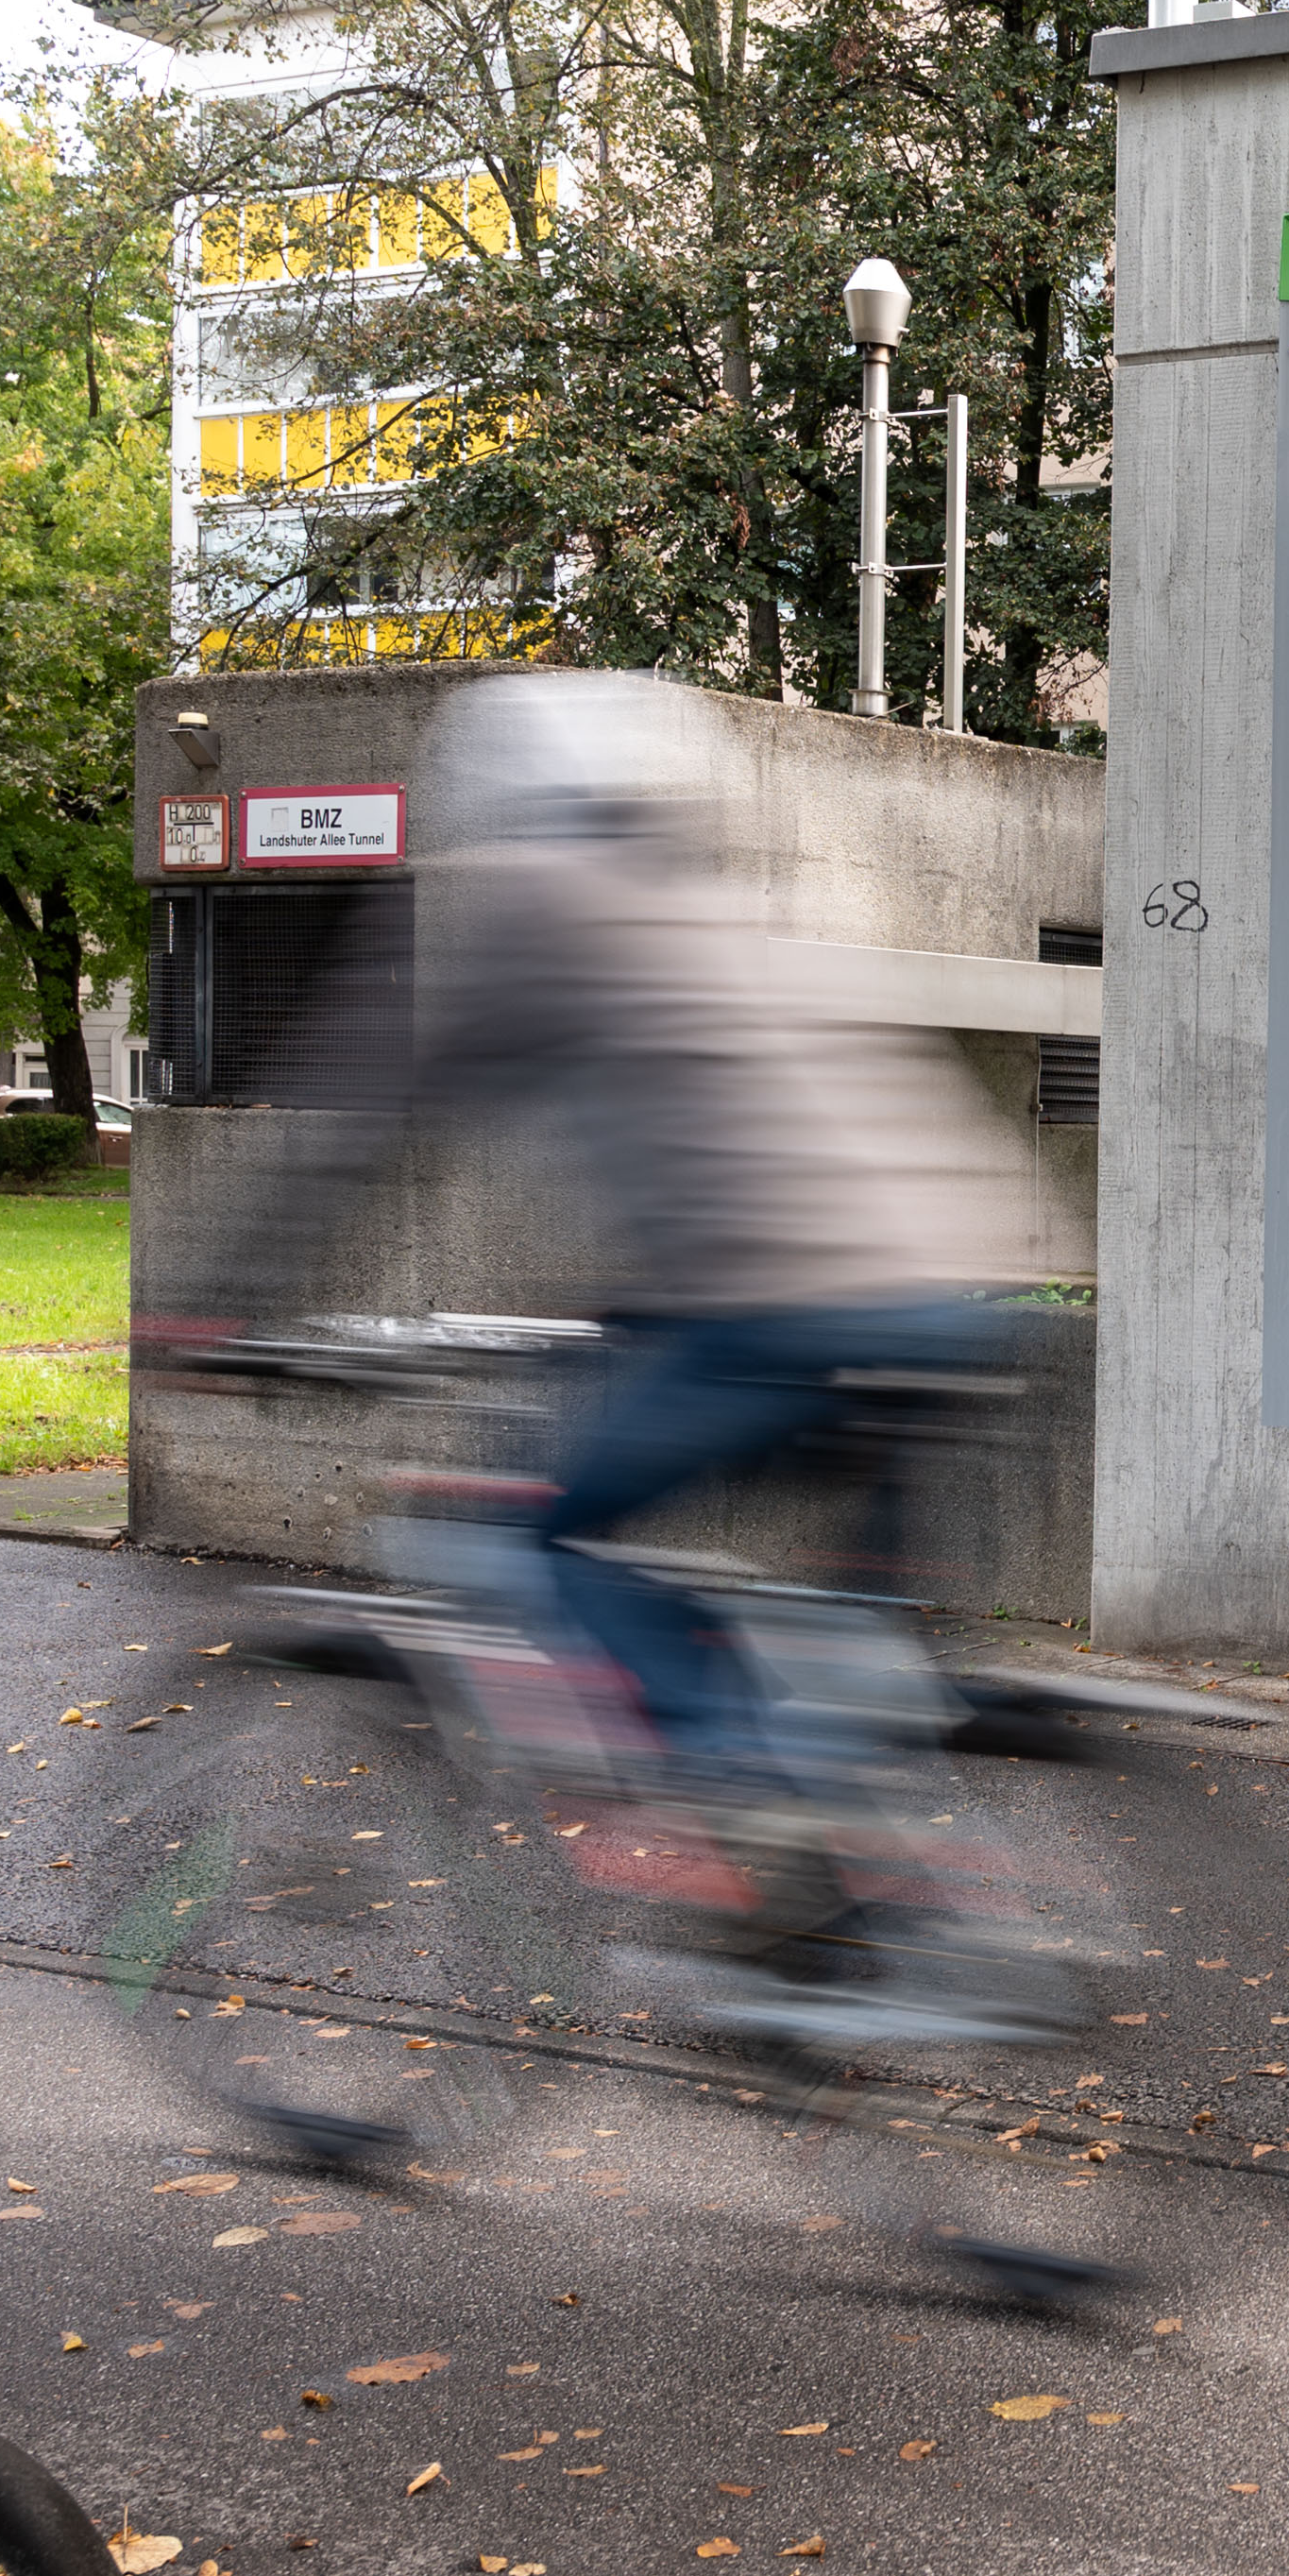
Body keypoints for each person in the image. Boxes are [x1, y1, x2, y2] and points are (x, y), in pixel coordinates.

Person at [411, 674, 1038, 1809]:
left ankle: (735, 1771)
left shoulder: (539, 899)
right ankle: (871, 1700)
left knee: (554, 1539)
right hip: (951, 1298)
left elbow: (380, 1120)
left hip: (786, 1313)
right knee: (839, 1586)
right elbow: (753, 1150)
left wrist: (216, 1303)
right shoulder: (721, 914)